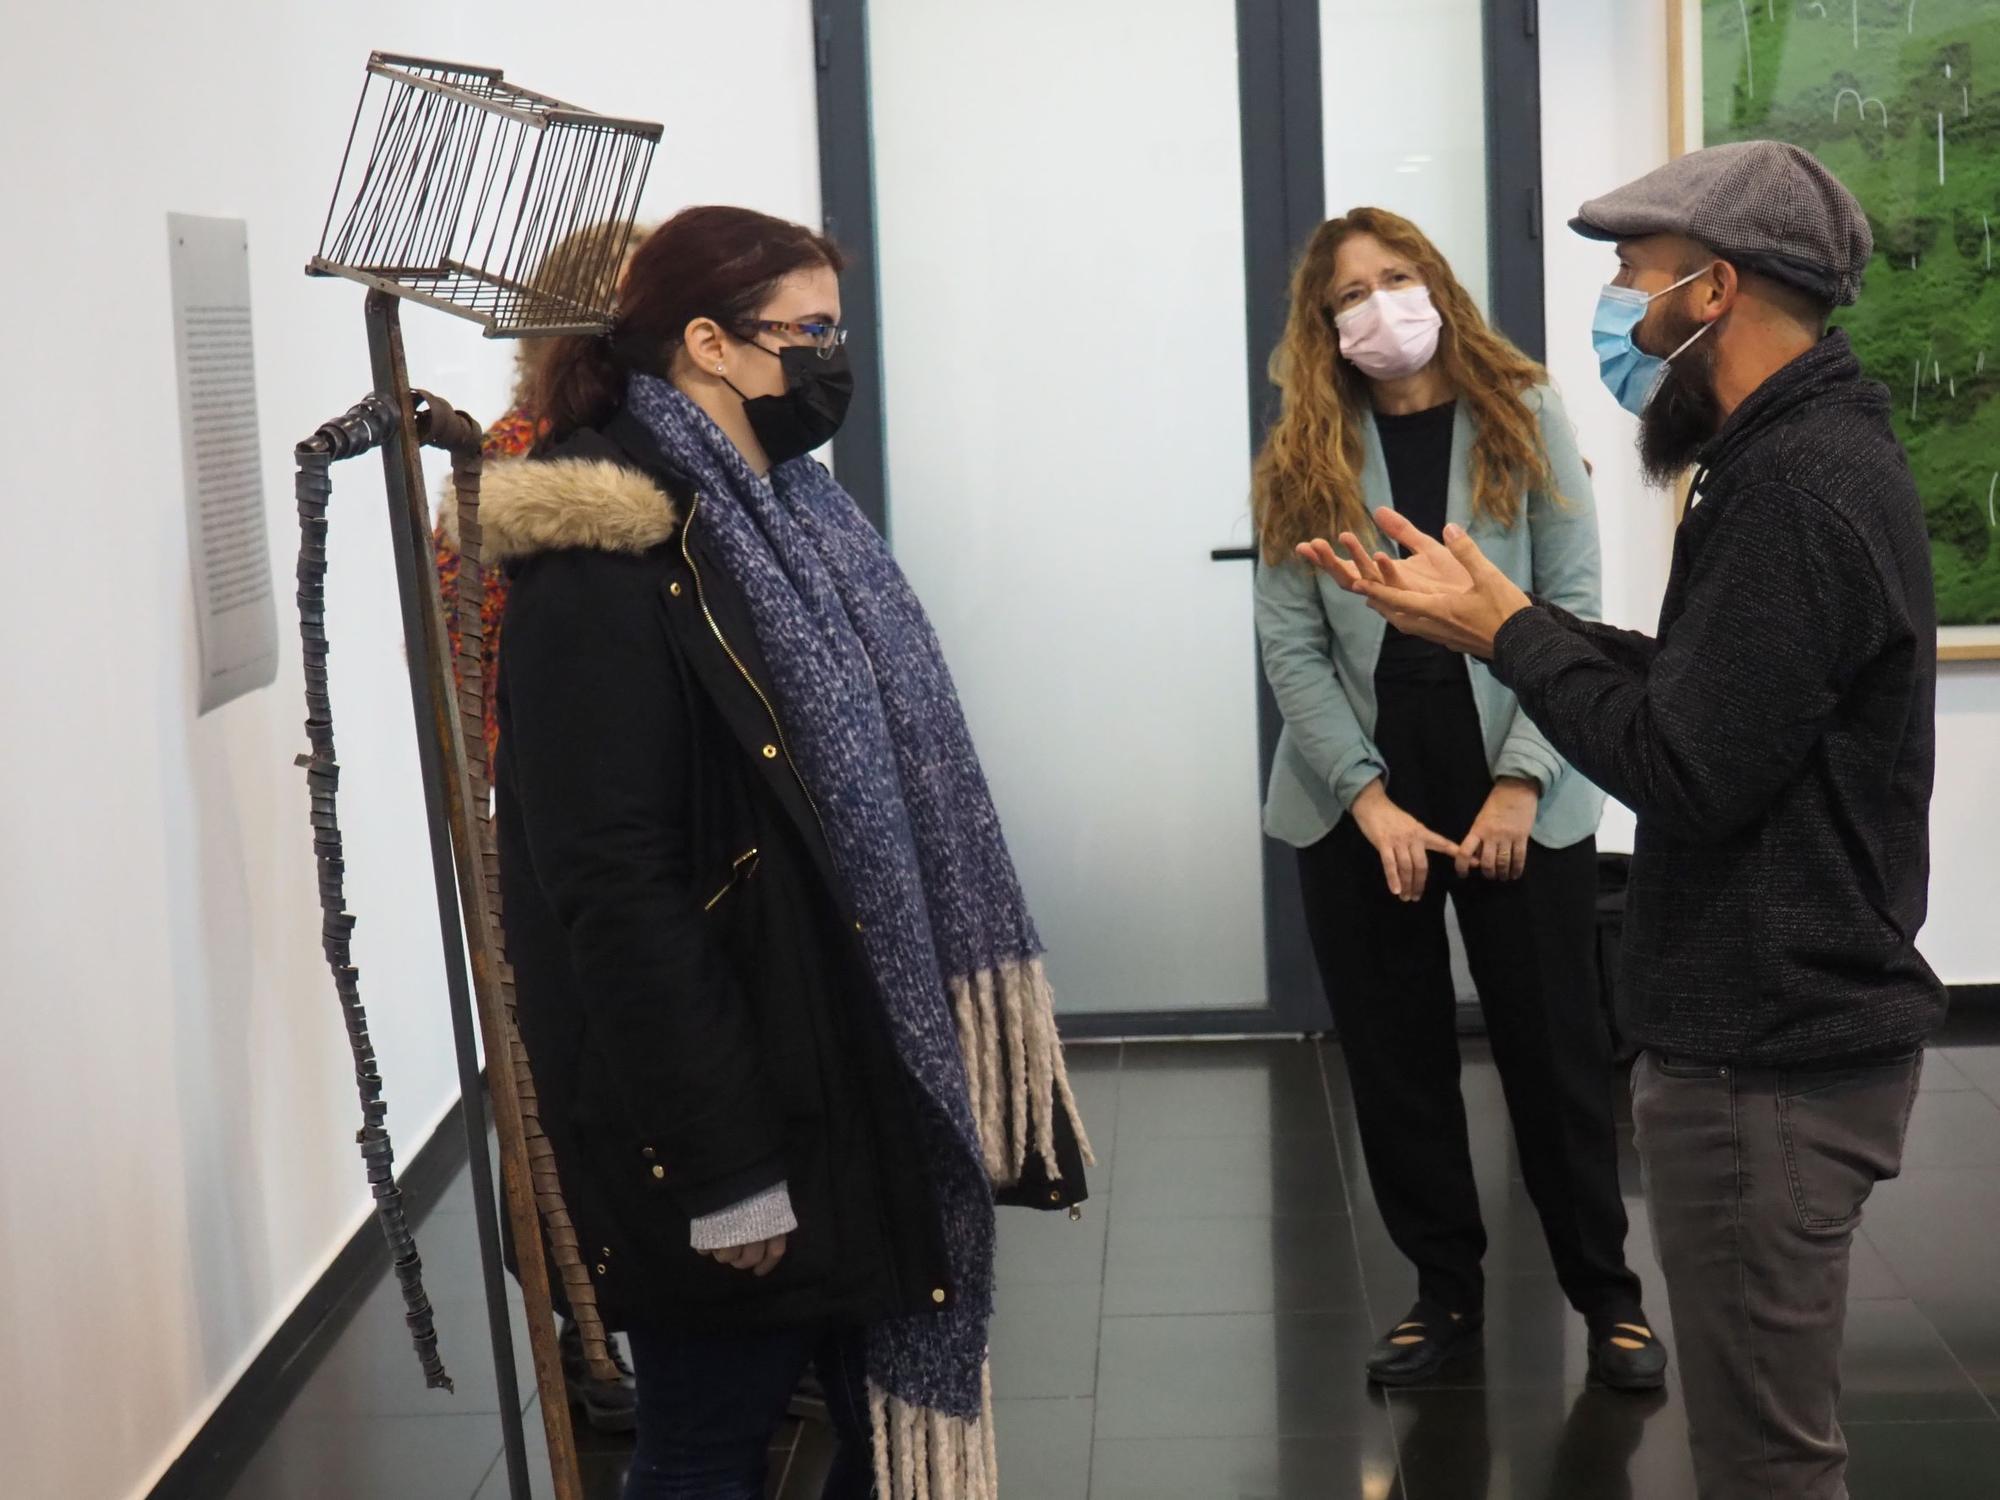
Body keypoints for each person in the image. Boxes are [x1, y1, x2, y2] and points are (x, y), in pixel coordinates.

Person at [1301, 142, 1945, 1500]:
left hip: (1768, 1058)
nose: (1618, 308)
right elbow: (1716, 695)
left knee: (1767, 1463)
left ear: (1713, 293)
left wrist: (1517, 637)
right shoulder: (1783, 463)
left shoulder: (1797, 491)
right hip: (1763, 1038)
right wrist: (1501, 627)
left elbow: (1687, 765)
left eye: (1633, 280)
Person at [446, 204, 1090, 1500]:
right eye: (809, 331)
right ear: (710, 345)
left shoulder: (787, 513)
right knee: (707, 1439)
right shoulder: (604, 547)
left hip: (838, 1062)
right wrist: (725, 1166)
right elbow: (613, 886)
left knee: (870, 1418)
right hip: (726, 1096)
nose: (830, 357)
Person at [1252, 207, 1664, 1392]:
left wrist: (1523, 783)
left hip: (1512, 763)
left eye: (1395, 278)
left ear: (1434, 284)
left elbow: (1569, 609)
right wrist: (1366, 799)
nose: (1378, 307)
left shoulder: (1523, 411)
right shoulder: (1300, 448)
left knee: (1553, 1052)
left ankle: (1609, 1298)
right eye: (1348, 295)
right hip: (1355, 785)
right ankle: (1443, 1294)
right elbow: (1289, 645)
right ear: (1322, 326)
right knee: (1396, 1059)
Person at [432, 215, 651, 1434]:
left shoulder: (651, 453)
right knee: (558, 1076)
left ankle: (638, 1322)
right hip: (544, 823)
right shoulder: (511, 469)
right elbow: (477, 676)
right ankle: (586, 1323)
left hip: (616, 818)